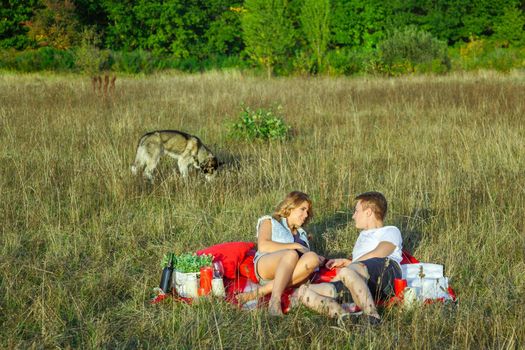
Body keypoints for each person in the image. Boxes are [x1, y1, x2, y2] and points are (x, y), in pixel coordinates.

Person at [295, 191, 402, 324]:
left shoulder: (390, 230)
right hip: (359, 280)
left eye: (356, 211)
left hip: (386, 272)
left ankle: (373, 316)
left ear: (368, 212)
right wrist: (348, 262)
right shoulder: (362, 235)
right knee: (303, 291)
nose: (353, 216)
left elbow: (380, 252)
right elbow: (360, 264)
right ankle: (344, 317)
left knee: (346, 272)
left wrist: (351, 265)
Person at [237, 191, 324, 315]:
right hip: (267, 264)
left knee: (312, 258)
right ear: (290, 207)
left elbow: (307, 259)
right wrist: (295, 246)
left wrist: (323, 259)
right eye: (302, 209)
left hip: (293, 272)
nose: (306, 214)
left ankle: (260, 291)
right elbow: (263, 246)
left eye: (307, 212)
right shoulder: (270, 221)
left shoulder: (302, 234)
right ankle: (275, 301)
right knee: (291, 254)